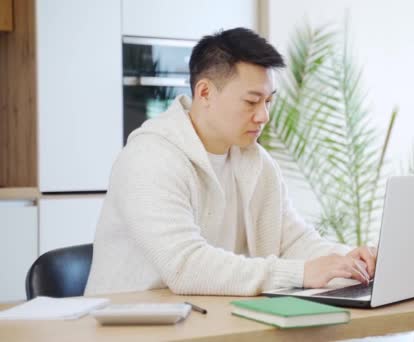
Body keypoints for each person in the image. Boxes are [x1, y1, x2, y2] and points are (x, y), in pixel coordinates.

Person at [85, 27, 377, 296]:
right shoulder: (150, 158)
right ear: (205, 93)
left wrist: (348, 259)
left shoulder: (257, 163)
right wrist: (300, 273)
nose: (263, 116)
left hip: (209, 322)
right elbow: (185, 266)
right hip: (128, 328)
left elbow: (292, 241)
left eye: (268, 101)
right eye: (251, 102)